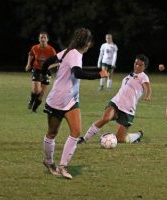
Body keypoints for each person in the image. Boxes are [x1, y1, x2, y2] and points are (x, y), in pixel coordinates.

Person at [41, 28, 108, 179]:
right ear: (86, 43)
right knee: (52, 133)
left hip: (71, 101)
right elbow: (78, 73)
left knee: (76, 132)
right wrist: (99, 74)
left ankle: (63, 166)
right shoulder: (75, 54)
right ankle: (49, 161)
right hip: (57, 100)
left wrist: (45, 73)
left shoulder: (67, 51)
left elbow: (47, 62)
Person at [78, 54, 151, 144]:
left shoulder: (143, 76)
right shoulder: (131, 74)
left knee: (120, 139)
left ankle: (137, 135)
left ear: (145, 66)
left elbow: (147, 86)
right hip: (116, 102)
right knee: (105, 118)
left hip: (128, 110)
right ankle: (84, 139)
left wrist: (148, 95)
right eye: (136, 63)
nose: (137, 66)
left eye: (140, 65)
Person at [25, 32, 57, 112]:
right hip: (37, 69)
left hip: (46, 71)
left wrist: (49, 66)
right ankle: (32, 100)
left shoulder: (51, 50)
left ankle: (34, 109)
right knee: (36, 90)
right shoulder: (35, 48)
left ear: (47, 39)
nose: (43, 39)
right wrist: (28, 64)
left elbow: (56, 62)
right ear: (39, 39)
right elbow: (31, 54)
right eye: (41, 37)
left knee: (41, 93)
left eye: (44, 37)